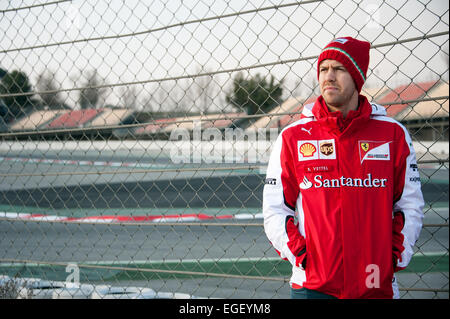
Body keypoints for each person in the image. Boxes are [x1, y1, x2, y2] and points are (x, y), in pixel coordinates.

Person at [262, 36, 424, 299]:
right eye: (323, 69)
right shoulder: (293, 137)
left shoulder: (392, 134)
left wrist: (392, 256)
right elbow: (275, 209)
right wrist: (302, 257)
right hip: (313, 287)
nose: (329, 76)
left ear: (357, 77)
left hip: (375, 285)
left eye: (339, 69)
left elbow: (409, 204)